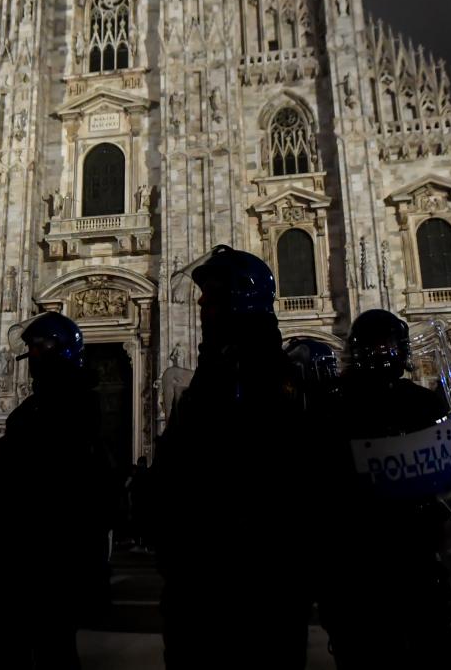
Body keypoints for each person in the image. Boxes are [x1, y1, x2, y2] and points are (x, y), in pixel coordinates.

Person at [154, 245, 314, 669]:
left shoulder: (267, 377)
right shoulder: (216, 370)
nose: (201, 303)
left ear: (239, 298)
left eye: (212, 294)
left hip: (247, 586)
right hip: (199, 583)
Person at [318, 309, 451, 669]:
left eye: (388, 346)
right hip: (364, 563)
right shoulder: (336, 406)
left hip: (406, 559)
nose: (383, 353)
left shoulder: (338, 404)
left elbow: (449, 477)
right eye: (377, 346)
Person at [0, 311, 115, 669]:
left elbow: (61, 480)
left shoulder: (73, 405)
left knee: (50, 644)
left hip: (48, 551)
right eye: (31, 348)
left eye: (41, 347)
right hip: (22, 549)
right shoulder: (39, 405)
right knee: (19, 644)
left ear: (62, 351)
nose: (34, 356)